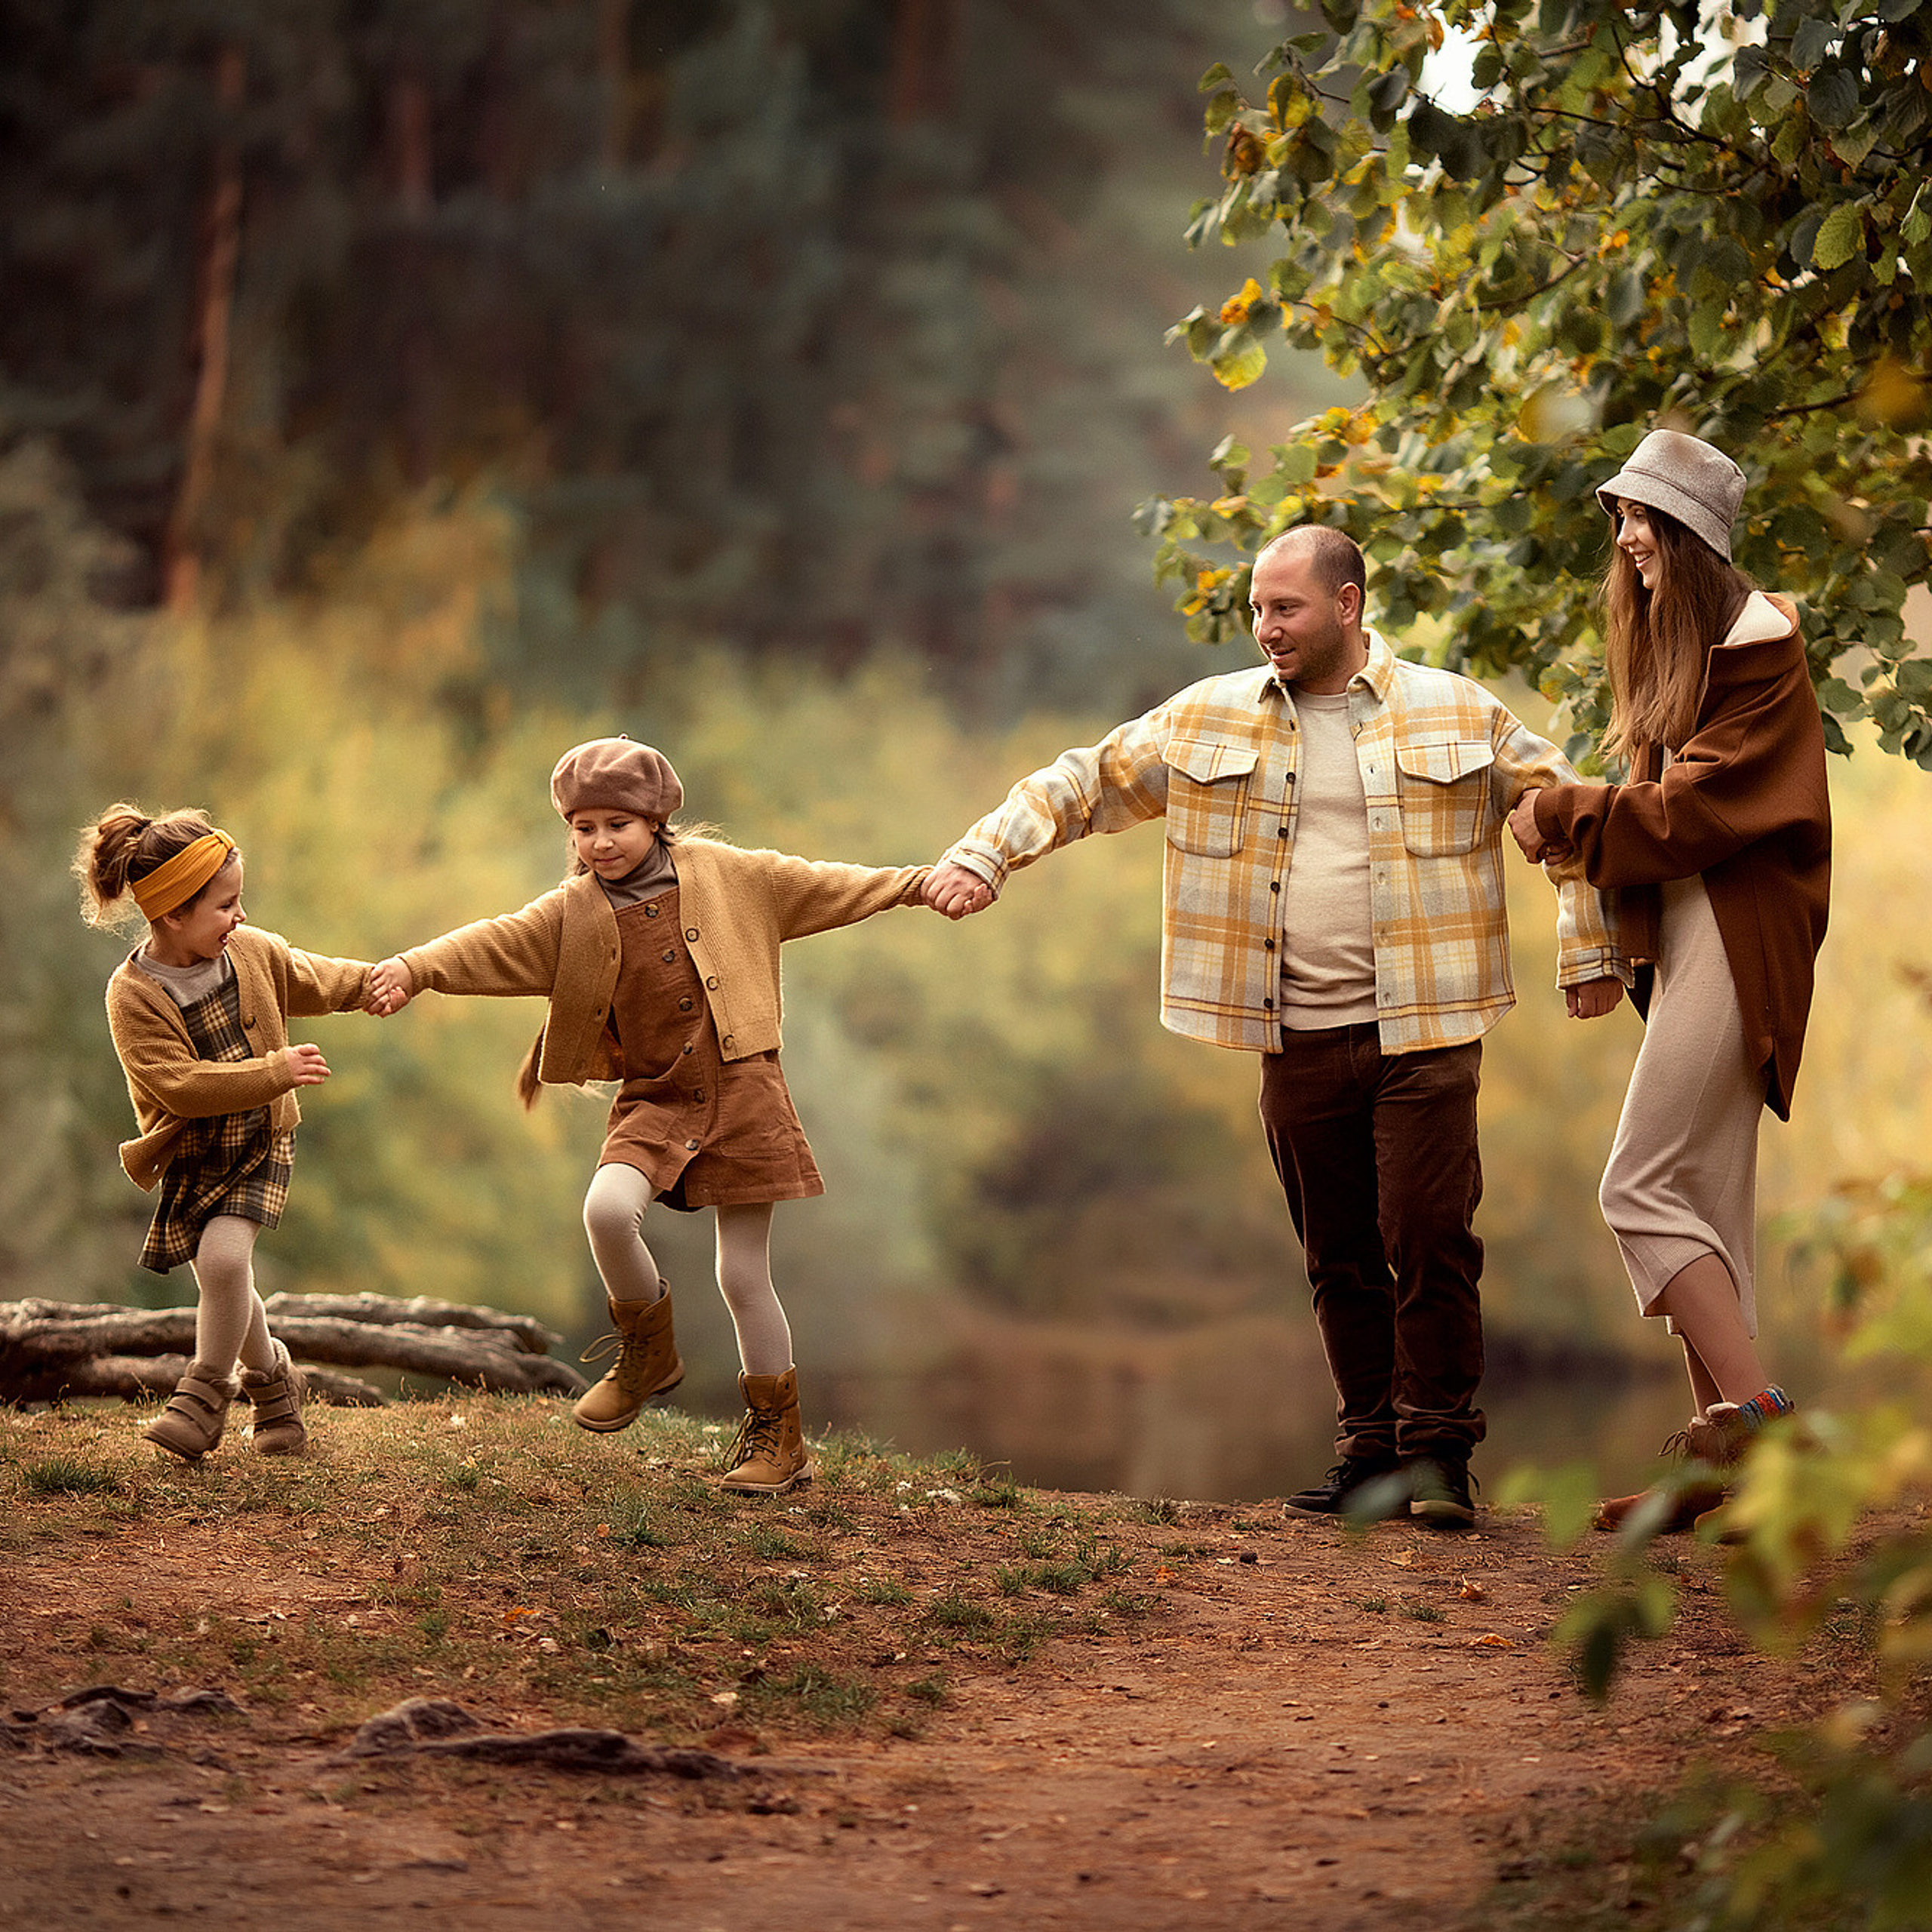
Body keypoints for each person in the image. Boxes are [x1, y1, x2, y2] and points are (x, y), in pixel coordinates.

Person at [925, 525, 1626, 1526]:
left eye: (1285, 608)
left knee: (1428, 1240)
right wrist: (985, 855)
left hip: (1425, 1028)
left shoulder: (1457, 711)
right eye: (1257, 609)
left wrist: (1589, 949)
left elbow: (1566, 814)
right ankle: (1370, 1457)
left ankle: (1438, 1460)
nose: (1265, 628)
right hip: (1293, 1033)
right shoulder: (1212, 715)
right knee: (1336, 1253)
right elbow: (1081, 781)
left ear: (1345, 606)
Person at [366, 737, 930, 1497]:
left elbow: (827, 884)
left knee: (742, 1273)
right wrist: (413, 967)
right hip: (655, 1096)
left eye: (617, 826)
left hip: (744, 1090)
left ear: (657, 820)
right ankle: (646, 1352)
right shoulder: (572, 913)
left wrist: (921, 884)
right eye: (584, 827)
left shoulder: (734, 876)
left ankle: (778, 1438)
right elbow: (493, 941)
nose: (599, 842)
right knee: (606, 1210)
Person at [1507, 429, 1830, 1531]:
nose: (1628, 535)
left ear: (1693, 534)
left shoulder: (1755, 645)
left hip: (1742, 938)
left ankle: (1762, 1428)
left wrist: (1559, 811)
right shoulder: (1684, 645)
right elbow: (1663, 813)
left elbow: (1690, 817)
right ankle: (1719, 1474)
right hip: (1699, 931)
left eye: (1644, 517)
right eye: (1621, 515)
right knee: (1704, 1208)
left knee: (1638, 1187)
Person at [77, 804, 379, 1461]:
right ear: (172, 916)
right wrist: (275, 1068)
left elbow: (314, 976)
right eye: (225, 905)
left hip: (262, 1138)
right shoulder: (132, 995)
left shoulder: (250, 951)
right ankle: (276, 1395)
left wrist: (375, 982)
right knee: (226, 1281)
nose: (240, 916)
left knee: (221, 1264)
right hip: (196, 1150)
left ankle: (203, 1395)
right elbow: (180, 1085)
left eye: (239, 900)